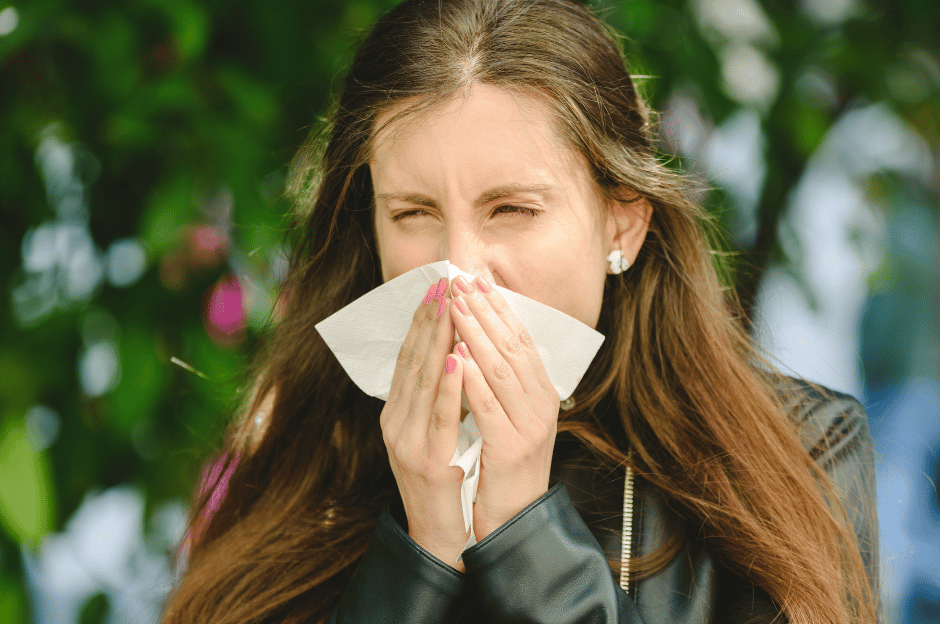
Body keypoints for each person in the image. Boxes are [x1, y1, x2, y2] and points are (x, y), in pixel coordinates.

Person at [160, 0, 881, 622]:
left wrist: (522, 534)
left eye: (512, 209)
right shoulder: (314, 461)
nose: (462, 267)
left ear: (621, 223)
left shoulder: (801, 457)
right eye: (413, 213)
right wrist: (420, 552)